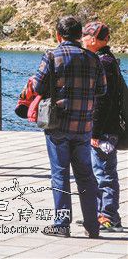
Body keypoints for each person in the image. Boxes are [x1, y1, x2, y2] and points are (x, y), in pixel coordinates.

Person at [34, 16, 106, 238]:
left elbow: (38, 86)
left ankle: (62, 224)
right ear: (79, 35)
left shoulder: (52, 56)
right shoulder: (93, 59)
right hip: (83, 126)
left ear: (58, 35)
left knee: (60, 174)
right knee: (86, 175)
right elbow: (102, 90)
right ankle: (92, 225)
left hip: (58, 124)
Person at [83, 21, 123, 233]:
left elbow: (103, 100)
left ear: (94, 40)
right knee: (100, 171)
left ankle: (108, 216)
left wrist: (95, 132)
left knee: (104, 172)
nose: (83, 39)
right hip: (106, 127)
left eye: (86, 35)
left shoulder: (104, 62)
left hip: (105, 129)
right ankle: (102, 213)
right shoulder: (105, 59)